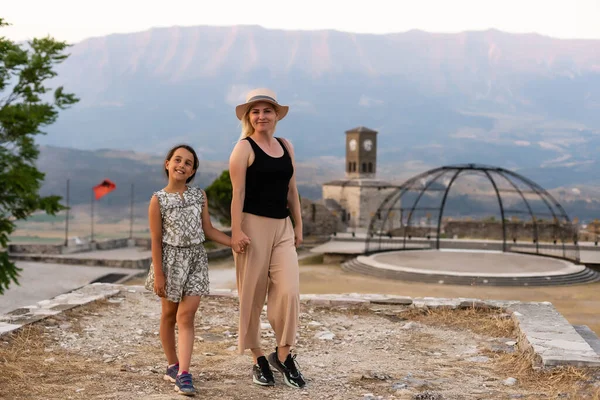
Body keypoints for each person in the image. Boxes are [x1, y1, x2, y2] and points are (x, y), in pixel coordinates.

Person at [145, 144, 243, 396]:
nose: (182, 165)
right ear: (167, 163)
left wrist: (233, 241)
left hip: (197, 260)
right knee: (168, 315)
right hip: (169, 262)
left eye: (188, 163)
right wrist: (159, 274)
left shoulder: (199, 195)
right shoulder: (158, 199)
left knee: (186, 316)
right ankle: (172, 365)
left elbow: (208, 230)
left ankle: (185, 374)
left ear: (193, 171)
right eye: (177, 159)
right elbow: (156, 240)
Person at [229, 88, 306, 389]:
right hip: (252, 227)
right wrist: (236, 231)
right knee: (252, 295)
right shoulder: (243, 148)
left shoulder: (286, 145)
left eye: (267, 111)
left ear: (276, 115)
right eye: (256, 111)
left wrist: (298, 226)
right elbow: (238, 194)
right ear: (249, 117)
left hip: (283, 227)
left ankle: (283, 355)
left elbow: (292, 189)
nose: (262, 116)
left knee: (288, 290)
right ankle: (258, 357)